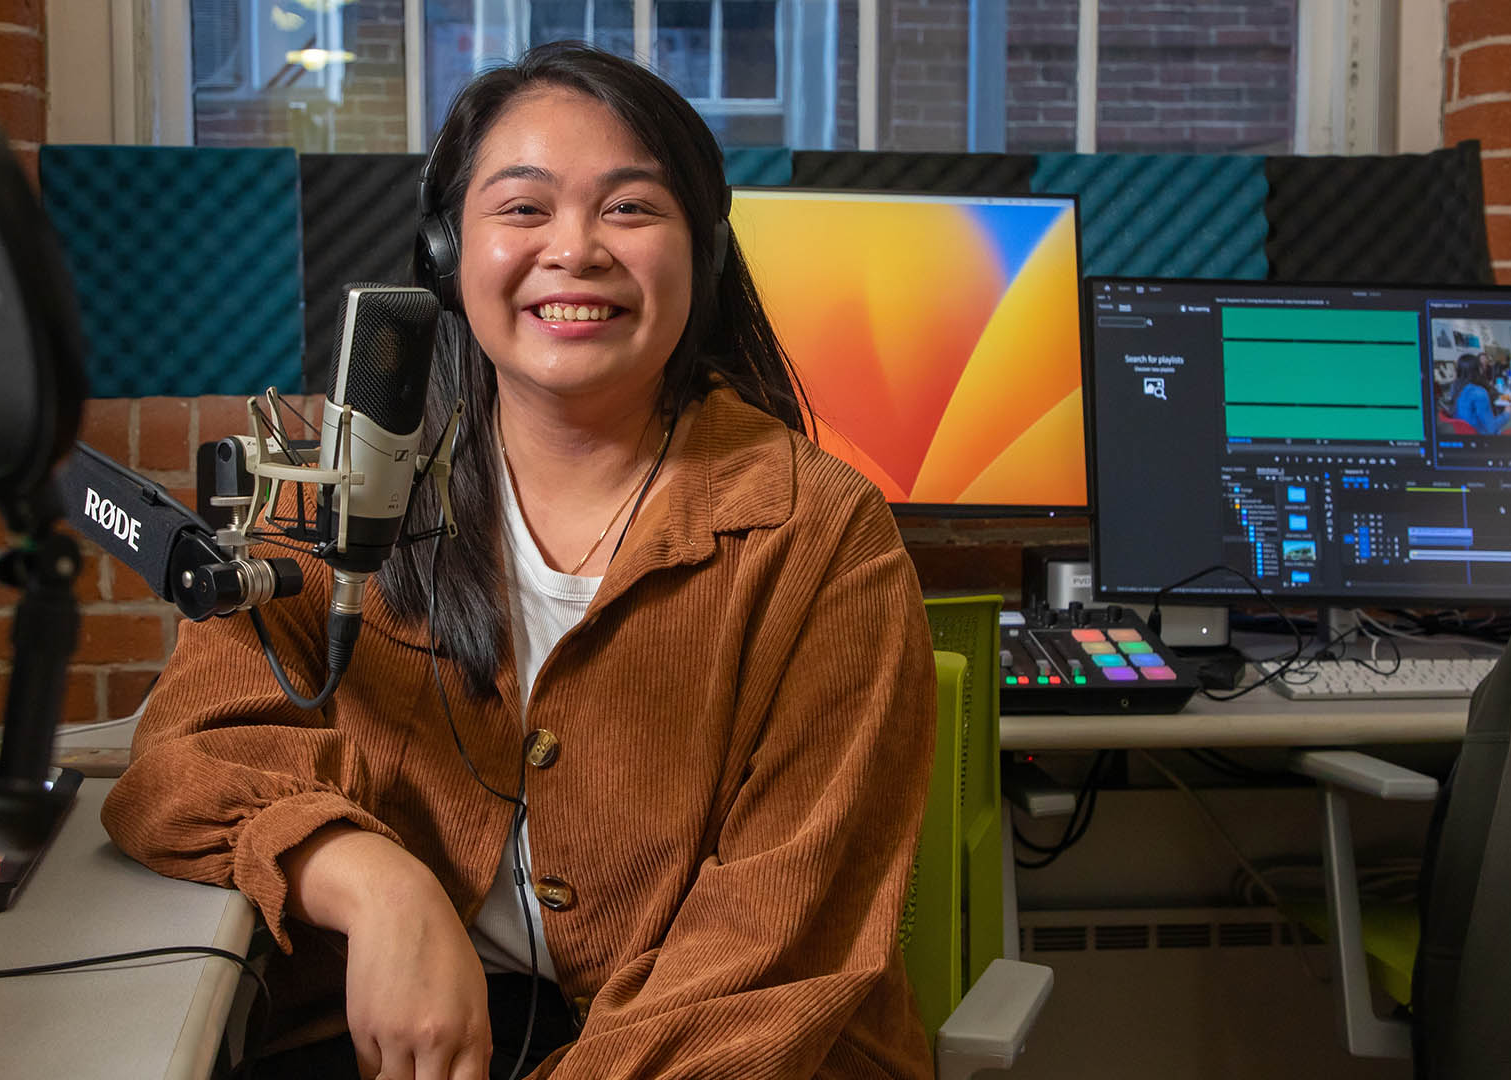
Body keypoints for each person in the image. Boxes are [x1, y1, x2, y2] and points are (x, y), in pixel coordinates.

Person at [101, 42, 935, 1080]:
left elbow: (767, 952)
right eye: (524, 208)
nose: (576, 249)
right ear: (451, 253)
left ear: (704, 256)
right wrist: (373, 881)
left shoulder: (821, 538)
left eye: (631, 208)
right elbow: (179, 764)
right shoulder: (346, 483)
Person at [1452, 353, 1506, 435]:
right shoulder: (1478, 391)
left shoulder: (1455, 387)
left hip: (1464, 434)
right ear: (1477, 369)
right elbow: (1492, 428)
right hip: (1482, 436)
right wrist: (1507, 412)